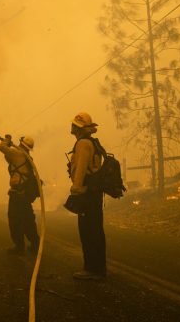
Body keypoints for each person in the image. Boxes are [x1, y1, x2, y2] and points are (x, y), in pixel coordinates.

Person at [68, 112, 106, 280]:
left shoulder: (83, 143)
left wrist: (76, 189)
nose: (71, 127)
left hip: (86, 194)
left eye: (74, 125)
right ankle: (98, 268)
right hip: (94, 193)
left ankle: (92, 269)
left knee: (88, 231)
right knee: (96, 230)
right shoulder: (92, 143)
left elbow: (82, 168)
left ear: (78, 127)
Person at [0, 134, 40, 255]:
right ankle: (35, 244)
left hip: (18, 195)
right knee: (28, 220)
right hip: (24, 195)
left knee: (14, 220)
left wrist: (6, 140)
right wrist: (10, 145)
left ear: (21, 144)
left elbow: (1, 148)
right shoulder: (25, 157)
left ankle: (19, 246)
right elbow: (8, 157)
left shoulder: (19, 154)